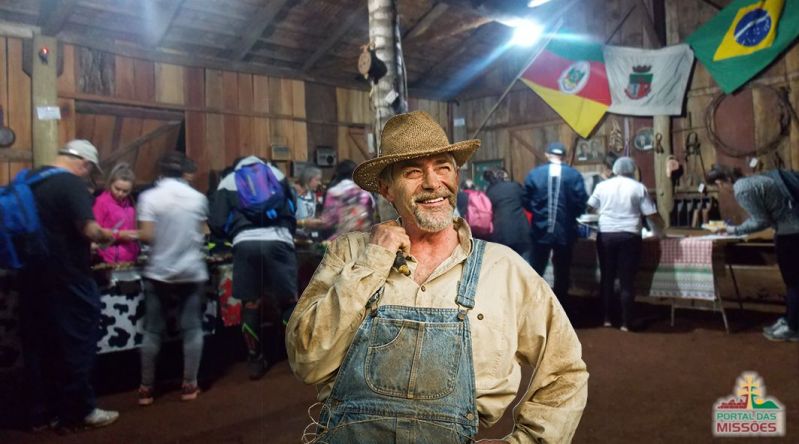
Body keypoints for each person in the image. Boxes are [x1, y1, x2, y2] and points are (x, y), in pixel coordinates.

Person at [286, 111, 588, 443]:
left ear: (456, 176)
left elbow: (565, 370)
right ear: (386, 189)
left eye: (443, 167)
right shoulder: (350, 254)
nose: (432, 183)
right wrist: (373, 261)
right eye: (413, 172)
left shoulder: (504, 268)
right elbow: (306, 360)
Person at [17, 139, 121, 430]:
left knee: (40, 345)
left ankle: (41, 413)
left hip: (32, 275)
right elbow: (90, 230)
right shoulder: (70, 184)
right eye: (90, 171)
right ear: (84, 164)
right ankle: (78, 411)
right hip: (68, 277)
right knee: (78, 342)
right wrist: (110, 235)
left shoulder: (31, 179)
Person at [208, 156, 299, 379]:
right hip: (279, 241)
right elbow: (293, 207)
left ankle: (255, 360)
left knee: (251, 303)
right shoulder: (276, 175)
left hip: (245, 243)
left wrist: (234, 233)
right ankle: (295, 356)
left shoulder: (228, 181)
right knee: (288, 301)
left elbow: (217, 221)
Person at [136, 152, 208, 405]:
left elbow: (147, 236)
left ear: (161, 172)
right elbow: (203, 231)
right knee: (192, 328)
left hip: (159, 270)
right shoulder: (198, 198)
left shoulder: (149, 197)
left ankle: (146, 388)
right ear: (183, 173)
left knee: (153, 330)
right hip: (191, 270)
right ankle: (189, 385)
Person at [707, 164, 799, 341]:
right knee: (793, 282)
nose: (720, 190)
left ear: (722, 181)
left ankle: (793, 327)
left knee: (794, 282)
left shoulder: (741, 189)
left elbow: (760, 221)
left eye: (718, 186)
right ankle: (789, 319)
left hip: (790, 234)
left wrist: (732, 230)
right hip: (790, 230)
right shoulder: (751, 180)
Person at [587, 157, 664, 332]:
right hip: (630, 235)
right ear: (632, 170)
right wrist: (662, 228)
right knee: (626, 279)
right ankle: (625, 322)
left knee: (607, 277)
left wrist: (606, 210)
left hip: (606, 235)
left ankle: (607, 318)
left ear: (614, 170)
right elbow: (651, 214)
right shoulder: (638, 187)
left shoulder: (602, 186)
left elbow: (589, 207)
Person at [523, 142, 588, 312]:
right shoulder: (573, 175)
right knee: (562, 271)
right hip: (565, 231)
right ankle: (561, 309)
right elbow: (581, 201)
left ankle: (532, 307)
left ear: (547, 154)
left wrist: (537, 212)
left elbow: (526, 200)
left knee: (536, 269)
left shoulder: (535, 174)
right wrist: (572, 215)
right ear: (564, 157)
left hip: (540, 229)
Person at [299, 160, 375, 240]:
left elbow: (327, 221)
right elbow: (372, 216)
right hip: (363, 240)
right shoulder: (365, 194)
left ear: (338, 174)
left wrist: (306, 222)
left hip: (341, 241)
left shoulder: (333, 193)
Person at [92, 162, 140, 264]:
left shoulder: (131, 203)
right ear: (110, 184)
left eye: (125, 191)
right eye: (117, 189)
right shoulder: (101, 202)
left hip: (130, 257)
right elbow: (95, 231)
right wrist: (120, 235)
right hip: (107, 258)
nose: (120, 193)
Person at [484, 168, 531, 258]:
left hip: (500, 233)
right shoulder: (515, 186)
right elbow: (527, 203)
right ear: (504, 176)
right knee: (524, 263)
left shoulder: (489, 191)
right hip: (520, 231)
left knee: (505, 262)